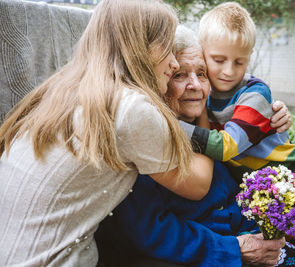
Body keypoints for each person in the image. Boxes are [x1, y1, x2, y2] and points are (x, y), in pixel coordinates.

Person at [0, 1, 214, 266]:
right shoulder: (131, 108)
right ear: (138, 44)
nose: (172, 61)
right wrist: (207, 119)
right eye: (166, 47)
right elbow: (198, 185)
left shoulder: (65, 88)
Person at [95, 25, 295, 267]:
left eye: (202, 73)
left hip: (250, 238)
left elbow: (247, 96)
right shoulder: (142, 138)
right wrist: (233, 249)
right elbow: (149, 231)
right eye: (179, 75)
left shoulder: (216, 121)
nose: (196, 86)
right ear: (157, 79)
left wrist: (271, 110)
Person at [177, 2, 295, 267]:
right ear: (202, 51)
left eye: (239, 61)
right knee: (283, 255)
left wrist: (167, 126)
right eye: (218, 60)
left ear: (250, 56)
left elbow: (227, 147)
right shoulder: (205, 92)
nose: (228, 71)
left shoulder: (254, 94)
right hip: (265, 195)